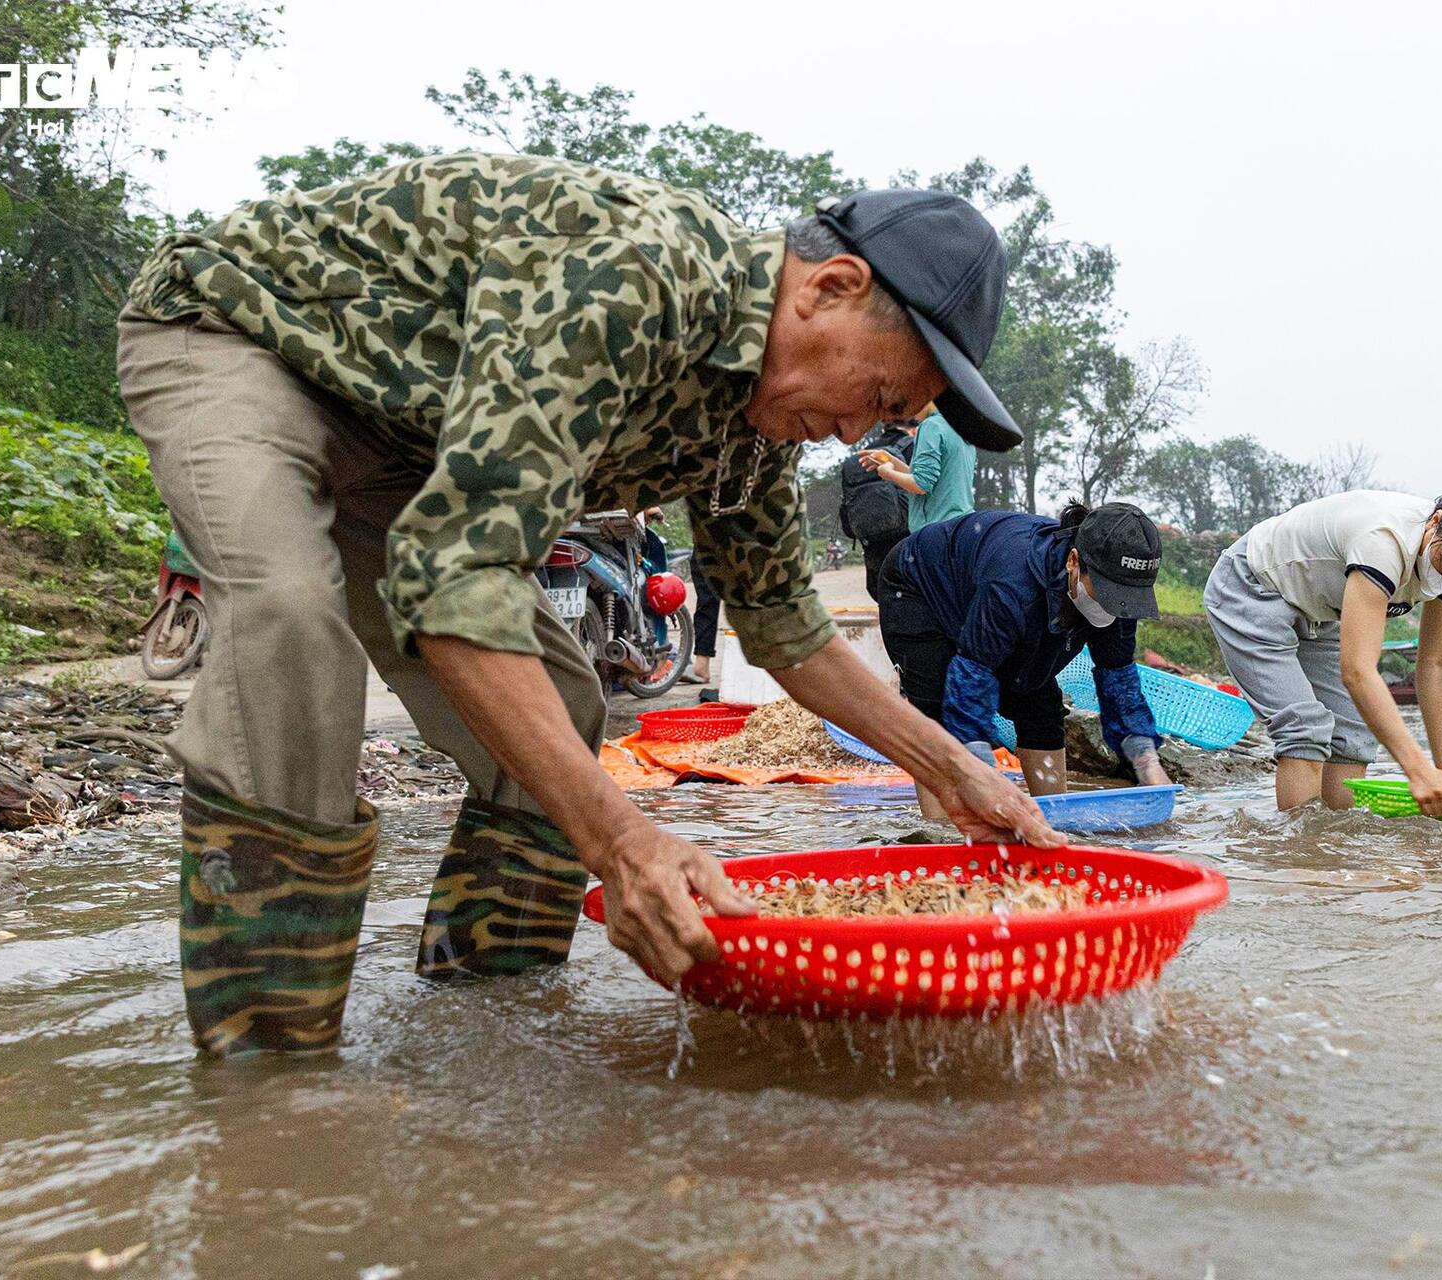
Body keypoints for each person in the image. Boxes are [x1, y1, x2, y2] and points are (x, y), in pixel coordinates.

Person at [117, 155, 1064, 1055]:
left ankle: (492, 1023)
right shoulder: (632, 276)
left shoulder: (757, 419)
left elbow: (785, 628)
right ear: (830, 287)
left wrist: (950, 767)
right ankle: (269, 1082)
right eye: (877, 393)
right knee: (288, 626)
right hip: (249, 337)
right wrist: (623, 842)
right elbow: (458, 585)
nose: (854, 431)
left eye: (887, 422)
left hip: (408, 438)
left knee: (565, 703)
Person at [1202, 469, 1442, 815]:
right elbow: (1358, 671)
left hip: (1320, 612)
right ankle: (1297, 847)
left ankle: (1338, 844)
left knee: (1354, 733)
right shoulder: (1383, 540)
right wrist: (1416, 769)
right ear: (1436, 522)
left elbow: (1436, 662)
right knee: (1303, 728)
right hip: (1253, 587)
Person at [881, 502, 1173, 820]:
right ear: (1074, 561)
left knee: (1039, 702)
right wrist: (982, 777)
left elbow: (1119, 678)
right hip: (919, 586)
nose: (1115, 607)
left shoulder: (1118, 598)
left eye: (1125, 597)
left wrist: (1146, 761)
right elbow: (972, 679)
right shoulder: (1012, 586)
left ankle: (1055, 818)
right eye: (1107, 592)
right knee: (938, 710)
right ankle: (941, 831)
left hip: (996, 595)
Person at [838, 416, 920, 600]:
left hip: (874, 550)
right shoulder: (915, 448)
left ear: (884, 428)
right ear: (914, 430)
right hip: (909, 543)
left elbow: (848, 511)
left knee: (887, 602)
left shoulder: (864, 455)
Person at [864, 404, 977, 532]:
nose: (908, 410)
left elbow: (920, 484)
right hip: (962, 527)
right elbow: (929, 480)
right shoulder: (962, 429)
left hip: (936, 531)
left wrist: (888, 473)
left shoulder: (931, 425)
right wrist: (892, 461)